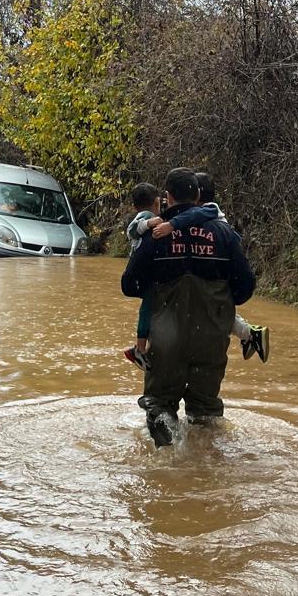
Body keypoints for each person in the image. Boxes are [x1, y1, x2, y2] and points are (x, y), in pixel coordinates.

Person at [120, 165, 256, 445]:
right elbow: (245, 289)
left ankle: (169, 466)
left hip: (167, 338)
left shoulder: (154, 234)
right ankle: (204, 467)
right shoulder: (224, 233)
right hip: (211, 338)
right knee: (205, 412)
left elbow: (129, 285)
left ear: (167, 197)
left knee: (159, 405)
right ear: (198, 197)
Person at [149, 170, 270, 362]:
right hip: (214, 304)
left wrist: (171, 224)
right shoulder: (216, 224)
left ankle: (248, 333)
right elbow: (245, 281)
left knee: (210, 304)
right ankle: (248, 333)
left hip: (197, 309)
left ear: (196, 196)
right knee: (213, 304)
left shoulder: (208, 212)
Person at [122, 181, 161, 368]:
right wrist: (151, 221)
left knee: (147, 307)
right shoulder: (147, 216)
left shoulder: (144, 215)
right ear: (156, 203)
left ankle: (139, 349)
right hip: (142, 274)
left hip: (138, 273)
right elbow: (132, 230)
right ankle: (139, 348)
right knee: (148, 307)